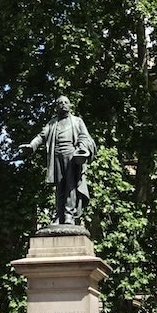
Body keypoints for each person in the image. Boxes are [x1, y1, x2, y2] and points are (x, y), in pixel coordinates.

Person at [20, 95, 97, 225]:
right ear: (56, 107)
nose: (63, 104)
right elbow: (41, 136)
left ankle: (68, 215)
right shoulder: (52, 123)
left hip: (72, 156)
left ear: (70, 105)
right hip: (56, 156)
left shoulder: (77, 121)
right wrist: (32, 145)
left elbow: (84, 137)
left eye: (65, 102)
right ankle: (59, 215)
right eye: (60, 103)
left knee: (71, 185)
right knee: (59, 186)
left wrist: (82, 149)